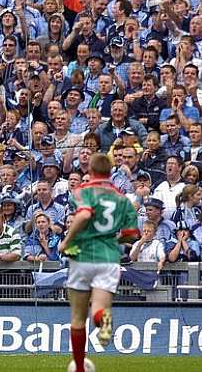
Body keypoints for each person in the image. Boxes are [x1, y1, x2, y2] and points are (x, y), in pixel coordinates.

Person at [59, 153, 140, 372]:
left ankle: (79, 367)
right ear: (110, 171)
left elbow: (84, 215)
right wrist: (114, 239)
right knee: (99, 308)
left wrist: (66, 241)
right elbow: (132, 234)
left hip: (82, 257)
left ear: (91, 171)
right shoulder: (123, 199)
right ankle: (102, 320)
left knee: (77, 317)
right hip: (109, 259)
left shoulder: (82, 192)